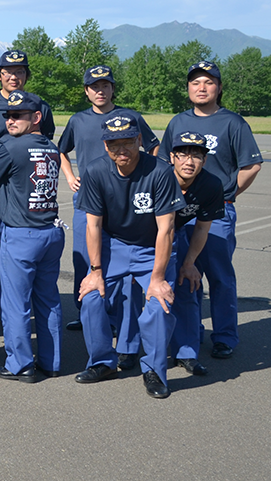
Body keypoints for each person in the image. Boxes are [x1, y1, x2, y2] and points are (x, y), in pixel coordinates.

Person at [157, 61, 262, 360]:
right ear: (188, 88)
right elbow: (165, 162)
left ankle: (225, 336)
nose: (201, 88)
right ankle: (188, 335)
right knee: (182, 274)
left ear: (218, 87)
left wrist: (228, 193)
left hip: (217, 214)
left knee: (219, 276)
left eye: (208, 82)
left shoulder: (233, 122)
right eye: (195, 83)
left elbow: (252, 164)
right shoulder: (178, 121)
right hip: (179, 212)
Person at [76, 115, 185, 399]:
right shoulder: (96, 171)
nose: (121, 149)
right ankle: (102, 362)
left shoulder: (160, 172)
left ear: (139, 141)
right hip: (114, 246)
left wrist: (158, 278)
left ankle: (154, 370)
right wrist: (95, 270)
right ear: (105, 145)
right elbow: (93, 225)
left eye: (127, 142)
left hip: (151, 248)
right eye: (114, 144)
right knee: (90, 298)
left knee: (159, 304)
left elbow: (166, 229)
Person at [59, 65, 159, 337]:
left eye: (105, 85)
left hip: (125, 196)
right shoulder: (78, 120)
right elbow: (61, 151)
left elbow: (154, 147)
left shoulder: (129, 116)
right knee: (83, 256)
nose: (100, 90)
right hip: (89, 197)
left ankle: (117, 316)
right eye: (94, 86)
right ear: (86, 91)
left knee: (118, 257)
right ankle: (87, 312)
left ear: (113, 88)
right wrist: (69, 176)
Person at [0, 50, 56, 322]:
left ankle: (12, 314)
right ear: (0, 75)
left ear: (26, 75)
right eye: (8, 71)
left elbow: (44, 144)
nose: (14, 76)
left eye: (19, 71)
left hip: (25, 203)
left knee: (20, 267)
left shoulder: (39, 105)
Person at [0, 91, 64, 383]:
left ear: (37, 118)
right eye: (8, 115)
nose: (11, 120)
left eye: (18, 115)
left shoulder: (12, 147)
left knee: (16, 304)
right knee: (48, 299)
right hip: (51, 232)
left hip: (21, 234)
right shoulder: (50, 147)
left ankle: (20, 364)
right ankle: (51, 361)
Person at [168, 132, 225, 376]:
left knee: (187, 285)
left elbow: (202, 227)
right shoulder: (156, 177)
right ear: (172, 157)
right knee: (124, 290)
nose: (189, 162)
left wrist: (189, 263)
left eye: (197, 156)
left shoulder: (211, 185)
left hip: (175, 234)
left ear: (204, 160)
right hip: (137, 236)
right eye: (183, 155)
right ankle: (127, 350)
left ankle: (186, 352)